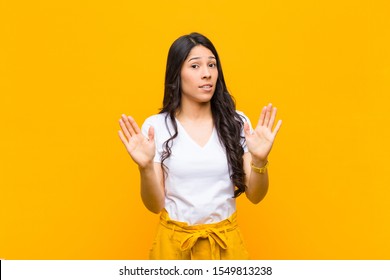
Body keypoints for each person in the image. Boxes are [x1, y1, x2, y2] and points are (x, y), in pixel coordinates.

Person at [118, 32, 282, 260]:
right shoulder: (157, 126)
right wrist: (144, 167)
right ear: (177, 73)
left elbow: (255, 195)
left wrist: (260, 161)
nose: (207, 74)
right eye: (195, 66)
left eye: (212, 65)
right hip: (174, 247)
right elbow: (155, 205)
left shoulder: (237, 123)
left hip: (225, 246)